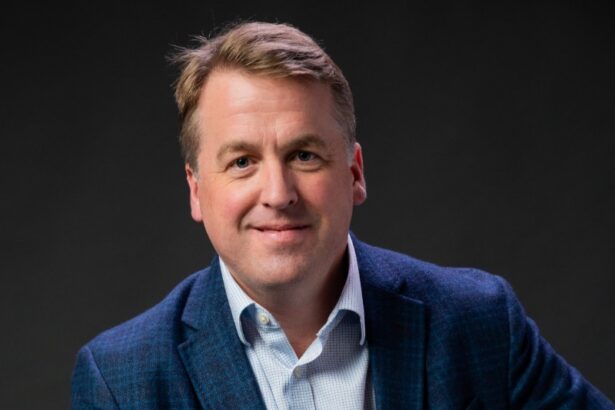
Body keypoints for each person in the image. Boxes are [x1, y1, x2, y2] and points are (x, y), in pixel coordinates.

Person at [71, 21, 614, 409]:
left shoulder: (480, 323)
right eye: (242, 162)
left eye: (304, 155)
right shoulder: (123, 380)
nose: (278, 193)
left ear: (354, 173)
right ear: (196, 190)